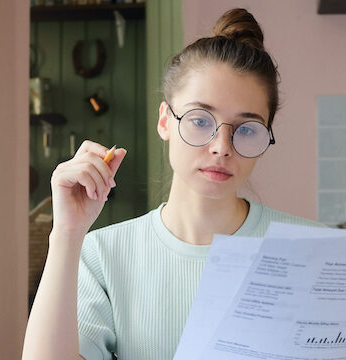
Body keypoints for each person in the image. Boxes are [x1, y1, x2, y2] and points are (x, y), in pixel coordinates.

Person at [22, 8, 323, 360]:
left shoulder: (314, 252)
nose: (221, 147)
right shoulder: (103, 255)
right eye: (199, 120)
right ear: (165, 120)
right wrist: (67, 234)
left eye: (247, 128)